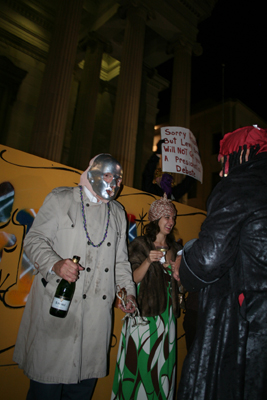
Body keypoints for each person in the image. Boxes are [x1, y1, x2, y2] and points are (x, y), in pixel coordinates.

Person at [13, 154, 137, 400]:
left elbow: (121, 261)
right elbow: (34, 240)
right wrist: (55, 264)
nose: (116, 183)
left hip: (94, 323)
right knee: (44, 392)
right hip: (56, 317)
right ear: (92, 171)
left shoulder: (118, 213)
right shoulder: (61, 199)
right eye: (110, 175)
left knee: (80, 392)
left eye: (119, 179)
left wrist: (128, 292)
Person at [175, 125, 267, 400]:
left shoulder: (240, 184)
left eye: (226, 159)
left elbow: (209, 258)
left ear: (242, 153)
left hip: (250, 322)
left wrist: (184, 264)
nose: (224, 169)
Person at [111, 193, 182, 400]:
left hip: (167, 318)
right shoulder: (140, 245)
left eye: (173, 217)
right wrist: (148, 262)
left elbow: (182, 285)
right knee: (139, 364)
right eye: (167, 217)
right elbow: (131, 278)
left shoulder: (177, 249)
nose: (171, 222)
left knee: (161, 368)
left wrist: (177, 271)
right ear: (155, 219)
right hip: (143, 317)